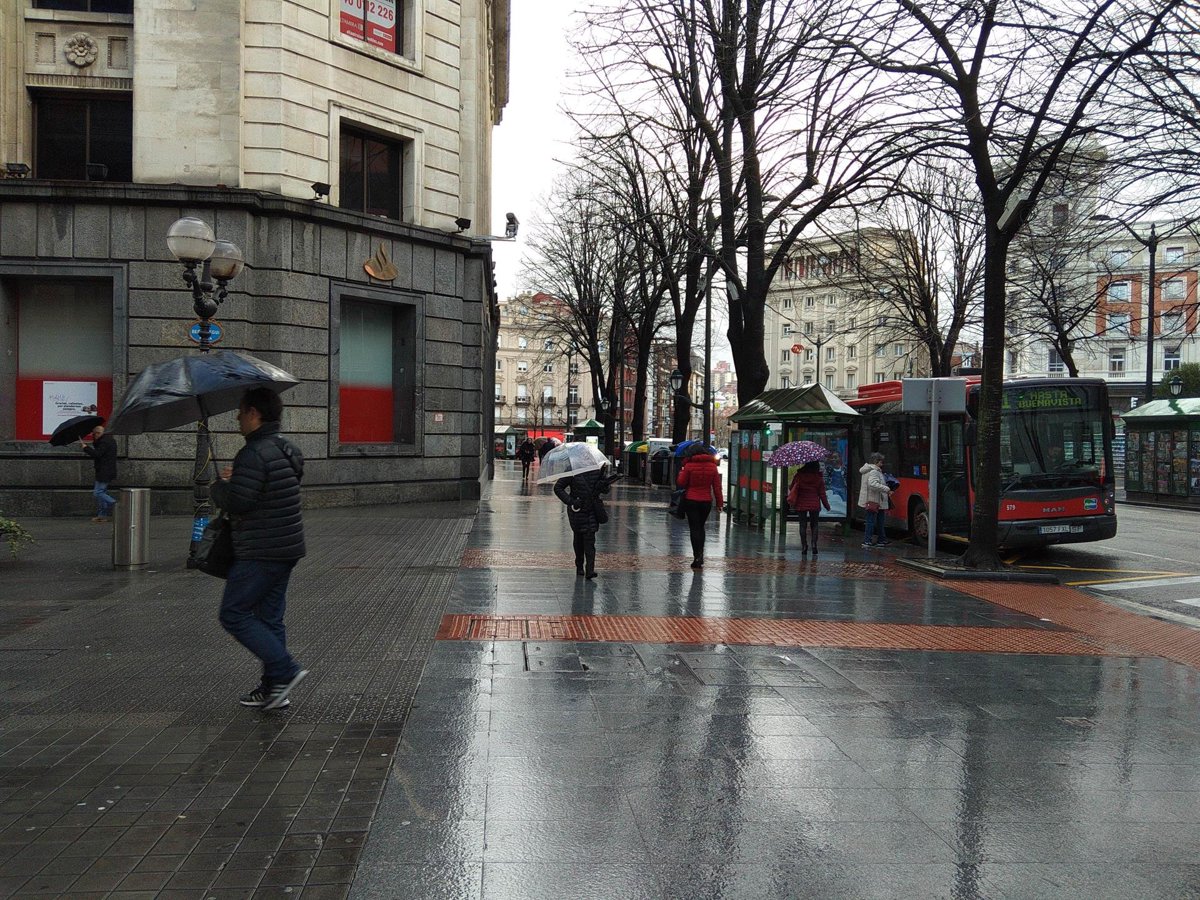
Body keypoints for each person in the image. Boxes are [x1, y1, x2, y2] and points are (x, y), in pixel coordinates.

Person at [211, 388, 308, 711]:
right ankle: (275, 689)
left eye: (240, 412)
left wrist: (220, 487)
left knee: (233, 613)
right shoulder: (287, 448)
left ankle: (285, 669)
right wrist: (239, 480)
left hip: (260, 549)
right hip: (287, 546)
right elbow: (273, 491)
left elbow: (240, 502)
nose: (236, 418)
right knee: (269, 617)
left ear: (254, 413)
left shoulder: (253, 453)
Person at [554, 464, 611, 578]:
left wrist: (603, 485)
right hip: (577, 510)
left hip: (593, 509)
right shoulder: (572, 469)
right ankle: (579, 566)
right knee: (579, 539)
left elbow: (606, 489)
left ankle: (590, 570)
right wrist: (571, 501)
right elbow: (558, 488)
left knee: (590, 539)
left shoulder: (597, 469)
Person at [676, 444, 724, 569]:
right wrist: (720, 503)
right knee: (701, 527)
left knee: (694, 528)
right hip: (706, 501)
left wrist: (682, 471)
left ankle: (696, 557)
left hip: (691, 500)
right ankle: (701, 555)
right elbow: (717, 487)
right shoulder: (712, 467)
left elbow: (681, 482)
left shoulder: (688, 466)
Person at [788, 461, 831, 555]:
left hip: (801, 503)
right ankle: (814, 544)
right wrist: (827, 506)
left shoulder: (799, 476)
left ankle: (804, 546)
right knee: (814, 524)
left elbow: (791, 488)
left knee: (802, 525)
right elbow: (822, 494)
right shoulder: (818, 478)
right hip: (814, 504)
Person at [80, 424, 117, 524]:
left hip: (104, 471)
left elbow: (97, 454)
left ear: (97, 433)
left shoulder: (104, 442)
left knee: (98, 492)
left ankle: (116, 504)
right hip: (106, 470)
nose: (93, 436)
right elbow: (100, 451)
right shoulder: (109, 440)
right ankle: (102, 516)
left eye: (94, 434)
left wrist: (85, 448)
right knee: (102, 492)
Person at [858, 451, 892, 549]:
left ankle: (880, 539)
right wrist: (886, 488)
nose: (882, 464)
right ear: (876, 461)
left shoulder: (868, 470)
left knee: (876, 521)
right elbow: (872, 484)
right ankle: (868, 540)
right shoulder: (874, 471)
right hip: (874, 500)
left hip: (874, 500)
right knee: (872, 521)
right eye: (881, 462)